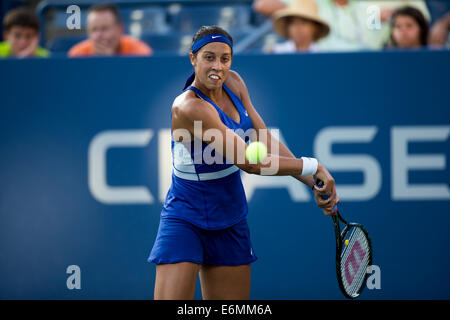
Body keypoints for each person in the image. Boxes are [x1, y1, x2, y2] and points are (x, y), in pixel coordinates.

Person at [148, 25, 339, 300]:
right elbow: (249, 162)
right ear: (193, 59)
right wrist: (312, 166)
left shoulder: (235, 83)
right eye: (208, 57)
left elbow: (264, 137)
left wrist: (311, 181)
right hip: (185, 218)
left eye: (224, 58)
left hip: (231, 217)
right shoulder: (188, 107)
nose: (218, 66)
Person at [68, 4, 152, 57]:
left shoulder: (140, 53)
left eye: (104, 28)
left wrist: (110, 60)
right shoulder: (77, 54)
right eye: (94, 30)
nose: (98, 35)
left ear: (120, 29)